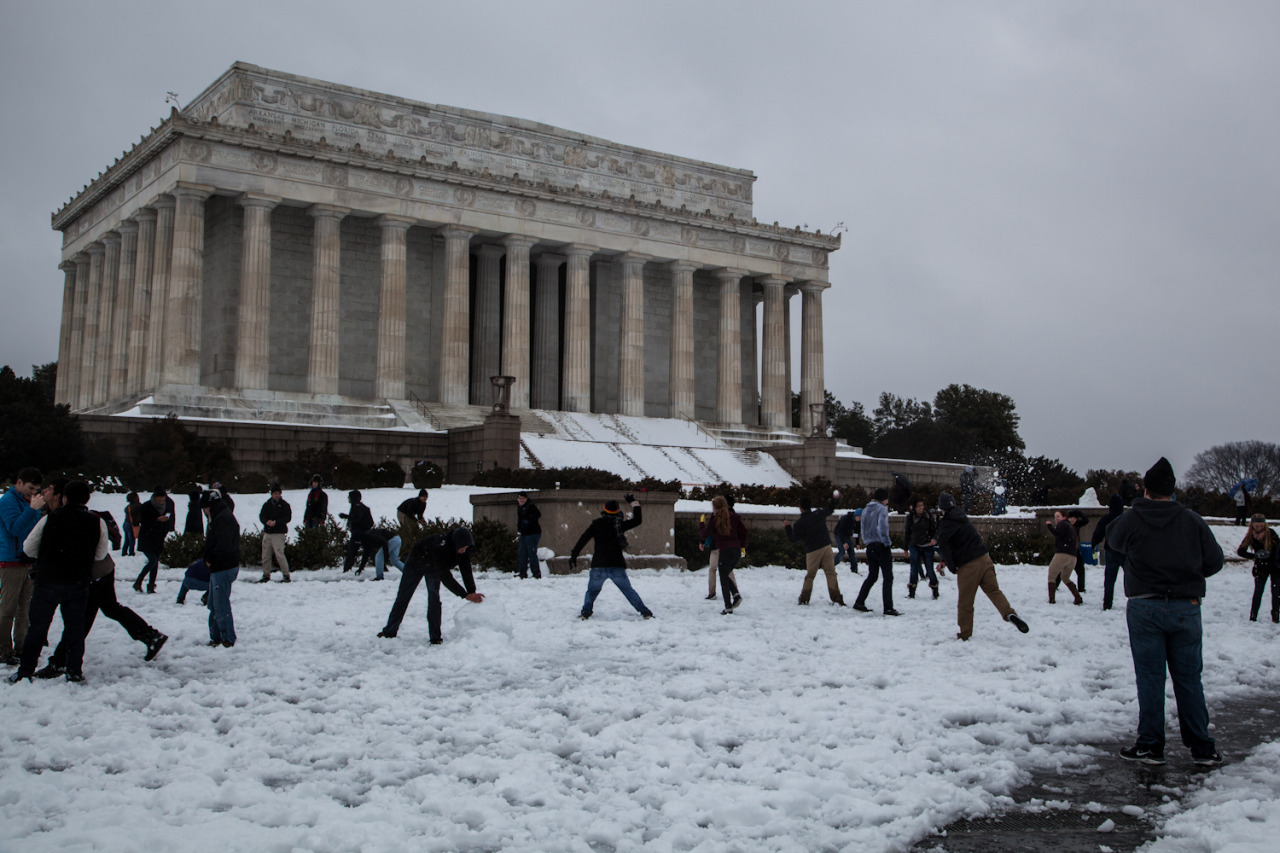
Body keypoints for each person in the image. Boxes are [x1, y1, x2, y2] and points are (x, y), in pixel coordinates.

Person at [1108, 457, 1224, 766]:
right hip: (1187, 606)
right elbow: (1214, 561)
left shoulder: (1133, 519)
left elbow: (1112, 541)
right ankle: (1202, 746)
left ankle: (1151, 744)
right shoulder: (1192, 520)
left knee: (1150, 677)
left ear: (1145, 489)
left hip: (1145, 605)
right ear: (1172, 491)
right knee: (1188, 679)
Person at [35, 505, 167, 678]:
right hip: (101, 570)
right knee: (109, 608)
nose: (44, 493)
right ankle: (150, 636)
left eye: (48, 489)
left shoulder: (65, 516)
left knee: (81, 619)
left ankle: (59, 662)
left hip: (94, 574)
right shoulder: (68, 513)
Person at [8, 480, 104, 684]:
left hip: (48, 581)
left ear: (64, 497)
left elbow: (28, 548)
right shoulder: (96, 521)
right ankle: (74, 671)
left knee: (38, 627)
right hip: (78, 583)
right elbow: (100, 554)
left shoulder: (50, 519)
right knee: (75, 629)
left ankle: (25, 671)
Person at [934, 492, 1028, 640]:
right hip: (985, 559)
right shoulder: (962, 517)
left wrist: (951, 566)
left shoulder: (946, 523)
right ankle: (1009, 613)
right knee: (994, 591)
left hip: (968, 565)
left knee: (965, 602)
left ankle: (964, 634)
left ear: (942, 508)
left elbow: (944, 546)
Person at [377, 527, 484, 644]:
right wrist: (465, 595)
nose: (464, 550)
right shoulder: (440, 548)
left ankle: (435, 637)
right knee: (403, 596)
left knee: (434, 599)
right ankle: (389, 631)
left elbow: (466, 570)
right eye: (462, 548)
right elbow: (446, 577)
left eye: (466, 548)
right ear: (456, 544)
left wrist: (471, 591)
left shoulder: (463, 549)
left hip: (433, 568)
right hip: (416, 562)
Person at [571, 494, 653, 620]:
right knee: (628, 591)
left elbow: (583, 539)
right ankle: (645, 612)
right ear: (617, 511)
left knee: (592, 591)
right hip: (616, 565)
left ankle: (586, 612)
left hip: (599, 564)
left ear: (604, 509)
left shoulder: (597, 524)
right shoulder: (619, 525)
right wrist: (634, 503)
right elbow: (638, 520)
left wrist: (574, 555)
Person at [0, 466, 45, 666]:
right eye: (29, 487)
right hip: (10, 561)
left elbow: (34, 531)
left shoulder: (28, 502)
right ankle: (4, 649)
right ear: (18, 483)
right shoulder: (8, 502)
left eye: (36, 489)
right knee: (8, 608)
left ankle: (21, 647)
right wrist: (32, 509)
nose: (32, 492)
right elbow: (15, 529)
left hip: (26, 560)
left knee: (24, 609)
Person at [784, 492, 844, 607]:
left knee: (810, 575)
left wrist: (787, 527)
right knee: (831, 573)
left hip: (813, 551)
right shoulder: (819, 514)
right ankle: (836, 597)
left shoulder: (800, 523)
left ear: (800, 507)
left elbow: (793, 539)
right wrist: (835, 500)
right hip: (826, 546)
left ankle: (804, 598)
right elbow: (830, 509)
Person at [203, 489, 241, 648]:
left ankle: (227, 638)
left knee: (220, 605)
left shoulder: (222, 519)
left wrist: (211, 559)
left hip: (223, 567)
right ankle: (216, 636)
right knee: (213, 604)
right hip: (220, 567)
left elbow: (223, 545)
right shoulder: (220, 516)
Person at [852, 488, 899, 616]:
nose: (888, 501)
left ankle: (859, 601)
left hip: (870, 546)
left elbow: (863, 527)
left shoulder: (866, 509)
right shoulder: (882, 509)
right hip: (881, 546)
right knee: (888, 577)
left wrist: (867, 541)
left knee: (872, 576)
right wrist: (887, 542)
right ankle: (888, 607)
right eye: (887, 498)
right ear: (883, 499)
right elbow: (882, 527)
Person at [701, 496, 747, 614]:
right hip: (736, 551)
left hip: (725, 551)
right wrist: (742, 545)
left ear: (715, 507)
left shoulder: (715, 519)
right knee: (725, 574)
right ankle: (736, 595)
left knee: (723, 579)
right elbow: (744, 531)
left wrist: (701, 523)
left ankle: (728, 607)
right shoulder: (734, 517)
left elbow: (705, 534)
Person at [133, 488, 175, 594]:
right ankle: (139, 580)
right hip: (147, 538)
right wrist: (156, 520)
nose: (161, 502)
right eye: (159, 500)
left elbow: (169, 520)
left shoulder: (166, 506)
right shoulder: (146, 506)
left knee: (155, 563)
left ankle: (151, 586)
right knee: (153, 560)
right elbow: (143, 522)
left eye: (162, 500)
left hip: (158, 538)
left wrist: (166, 525)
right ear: (154, 498)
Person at [1238, 514, 1279, 623]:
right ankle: (1253, 615)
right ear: (1252, 525)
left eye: (1261, 525)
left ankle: (1276, 615)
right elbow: (1240, 551)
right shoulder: (1250, 536)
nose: (1259, 528)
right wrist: (1255, 556)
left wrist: (1270, 554)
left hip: (1275, 566)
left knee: (1276, 592)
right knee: (1258, 591)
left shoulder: (1271, 533)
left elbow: (1279, 550)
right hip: (1260, 567)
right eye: (1256, 526)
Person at [1092, 494, 1127, 611]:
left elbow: (1098, 533)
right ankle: (1133, 599)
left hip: (1111, 551)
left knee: (1109, 580)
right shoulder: (1125, 519)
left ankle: (1107, 604)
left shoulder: (1106, 519)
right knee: (1130, 577)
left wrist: (1094, 544)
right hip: (1124, 552)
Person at [904, 499, 940, 600]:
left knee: (929, 568)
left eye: (922, 506)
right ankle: (912, 590)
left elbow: (935, 529)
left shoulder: (928, 516)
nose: (921, 508)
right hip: (914, 545)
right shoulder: (910, 517)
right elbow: (907, 532)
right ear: (914, 508)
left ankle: (935, 588)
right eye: (918, 506)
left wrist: (934, 539)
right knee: (914, 568)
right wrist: (905, 547)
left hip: (927, 545)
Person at [1045, 510, 1083, 605]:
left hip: (1062, 554)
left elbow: (1058, 533)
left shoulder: (1062, 524)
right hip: (1073, 556)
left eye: (1058, 516)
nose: (1056, 519)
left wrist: (1049, 526)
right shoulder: (1070, 527)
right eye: (1055, 517)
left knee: (1051, 575)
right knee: (1065, 578)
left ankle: (1051, 600)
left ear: (1064, 517)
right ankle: (1078, 597)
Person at [258, 484, 292, 583]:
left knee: (279, 554)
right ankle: (266, 574)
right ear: (272, 494)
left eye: (278, 493)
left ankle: (286, 575)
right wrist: (266, 521)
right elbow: (261, 516)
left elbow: (288, 518)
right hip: (268, 532)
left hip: (279, 533)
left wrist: (276, 522)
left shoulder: (284, 505)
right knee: (265, 555)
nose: (277, 495)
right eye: (275, 493)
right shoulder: (267, 504)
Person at [339, 489, 374, 573]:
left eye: (349, 497)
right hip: (364, 532)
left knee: (352, 551)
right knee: (369, 551)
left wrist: (346, 517)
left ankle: (347, 569)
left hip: (359, 533)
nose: (348, 498)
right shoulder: (359, 506)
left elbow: (356, 518)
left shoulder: (358, 507)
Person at [514, 492, 542, 579]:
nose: (521, 500)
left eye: (523, 498)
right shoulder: (520, 507)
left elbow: (537, 514)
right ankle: (522, 573)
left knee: (531, 553)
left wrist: (528, 520)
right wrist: (519, 528)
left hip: (533, 533)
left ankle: (536, 573)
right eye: (519, 499)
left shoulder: (530, 506)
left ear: (526, 499)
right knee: (522, 553)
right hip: (524, 533)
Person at [833, 507, 860, 574]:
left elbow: (857, 532)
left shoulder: (858, 521)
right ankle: (831, 567)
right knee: (842, 551)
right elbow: (840, 531)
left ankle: (854, 569)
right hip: (839, 534)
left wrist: (857, 543)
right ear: (855, 516)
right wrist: (844, 543)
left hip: (847, 535)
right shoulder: (846, 519)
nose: (860, 519)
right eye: (859, 518)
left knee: (851, 551)